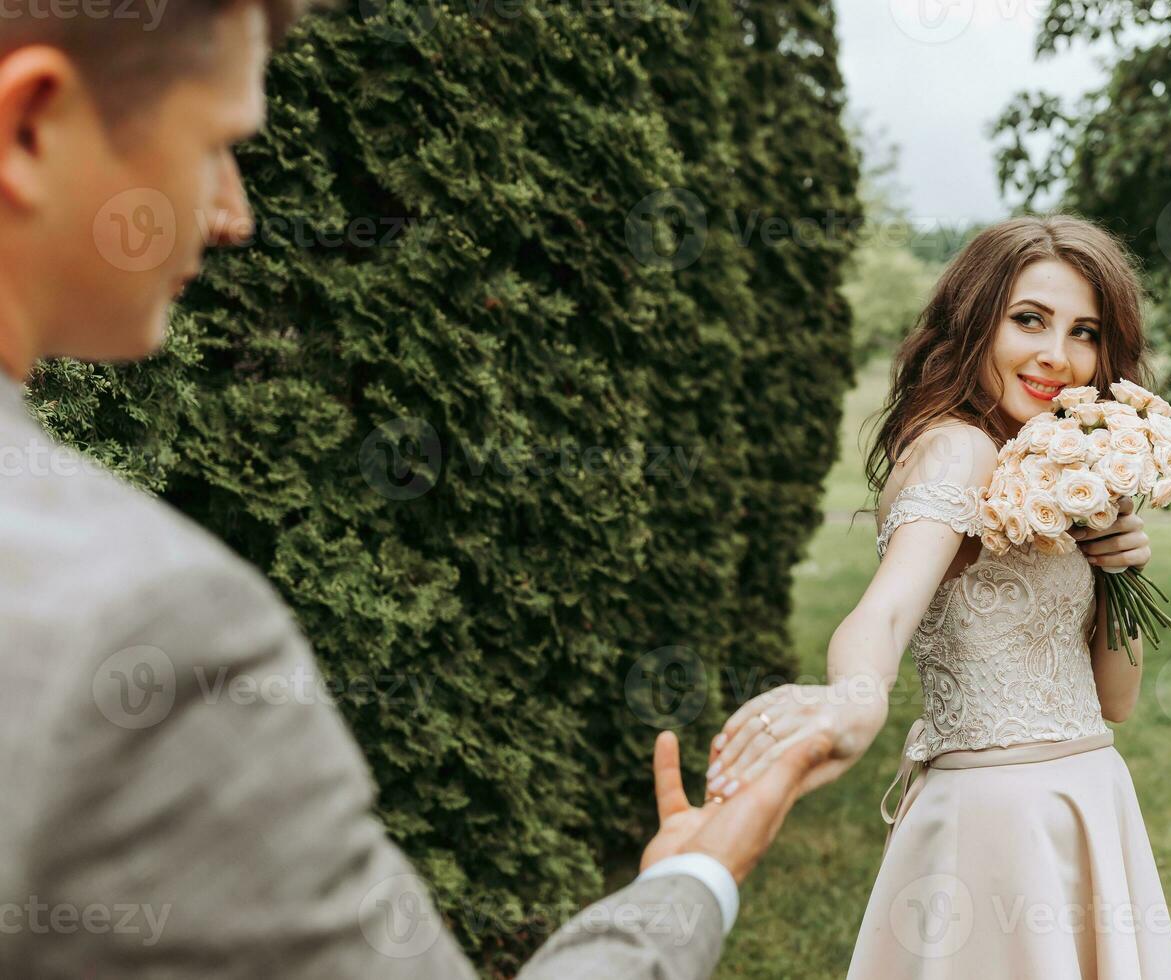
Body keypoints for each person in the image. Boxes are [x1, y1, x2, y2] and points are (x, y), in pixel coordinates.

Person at [0, 0, 831, 976]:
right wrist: (691, 883)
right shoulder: (151, 621)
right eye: (218, 144)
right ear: (28, 125)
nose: (234, 214)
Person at [701, 216, 1171, 976]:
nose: (1056, 357)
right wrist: (855, 698)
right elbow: (888, 605)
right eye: (1029, 320)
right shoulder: (957, 449)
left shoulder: (1058, 466)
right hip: (1000, 821)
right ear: (975, 323)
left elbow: (1115, 701)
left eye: (1085, 333)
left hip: (1091, 793)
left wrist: (1121, 565)